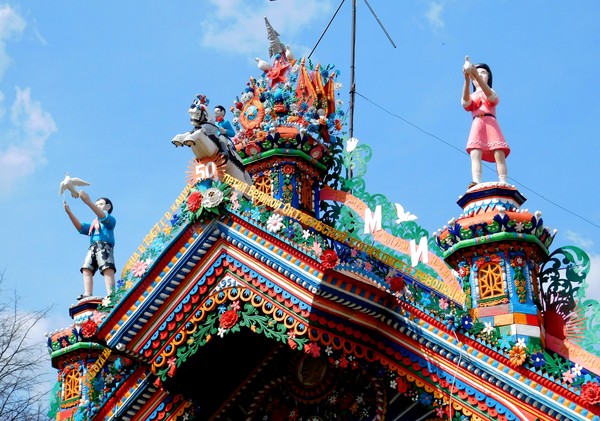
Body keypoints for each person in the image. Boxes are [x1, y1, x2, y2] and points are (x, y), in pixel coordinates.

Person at [462, 60, 510, 187]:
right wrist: (467, 79)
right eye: (477, 73)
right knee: (475, 152)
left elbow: (492, 98)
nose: (480, 74)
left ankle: (503, 180)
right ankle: (476, 180)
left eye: (483, 72)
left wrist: (475, 75)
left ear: (489, 76)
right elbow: (466, 103)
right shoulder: (472, 95)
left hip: (490, 123)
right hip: (477, 123)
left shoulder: (490, 91)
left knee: (498, 152)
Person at [64, 191, 116, 300]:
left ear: (108, 206)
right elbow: (81, 227)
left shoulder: (110, 220)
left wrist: (89, 202)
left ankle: (111, 293)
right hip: (93, 246)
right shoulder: (94, 224)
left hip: (104, 246)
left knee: (107, 267)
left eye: (100, 204)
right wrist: (69, 212)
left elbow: (103, 217)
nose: (98, 206)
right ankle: (88, 293)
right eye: (96, 205)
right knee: (86, 268)